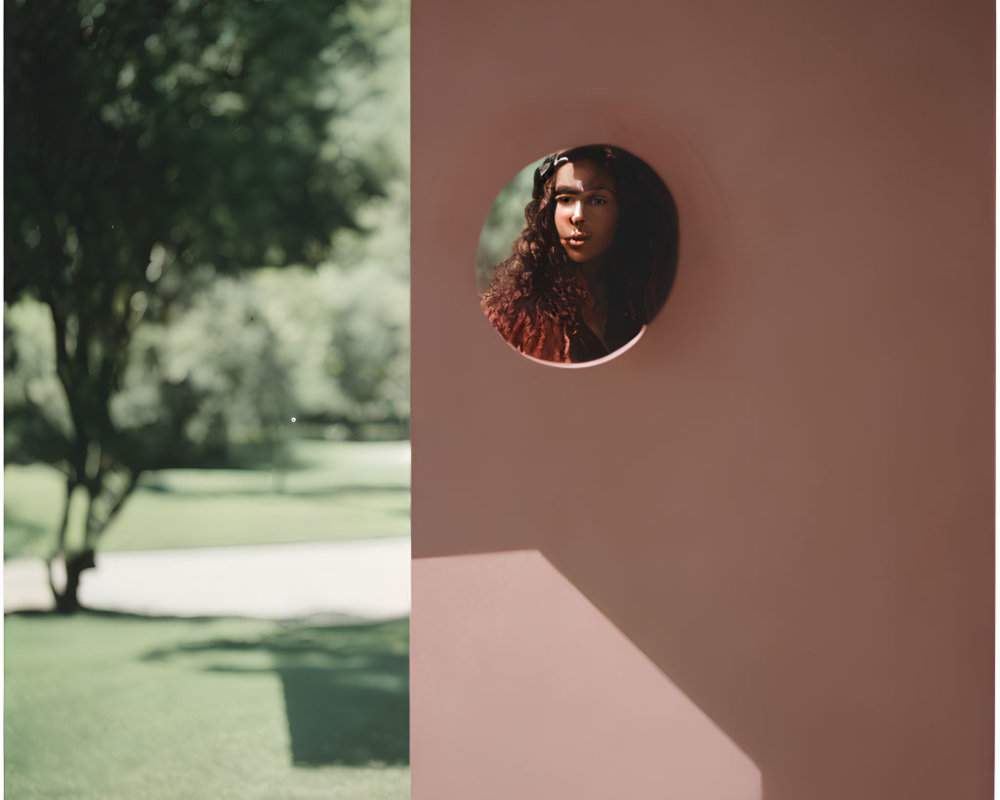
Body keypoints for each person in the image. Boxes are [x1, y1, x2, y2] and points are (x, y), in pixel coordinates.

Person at [481, 144, 678, 363]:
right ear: (549, 210)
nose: (578, 216)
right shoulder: (515, 316)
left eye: (597, 200)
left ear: (623, 210)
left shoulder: (645, 300)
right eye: (565, 199)